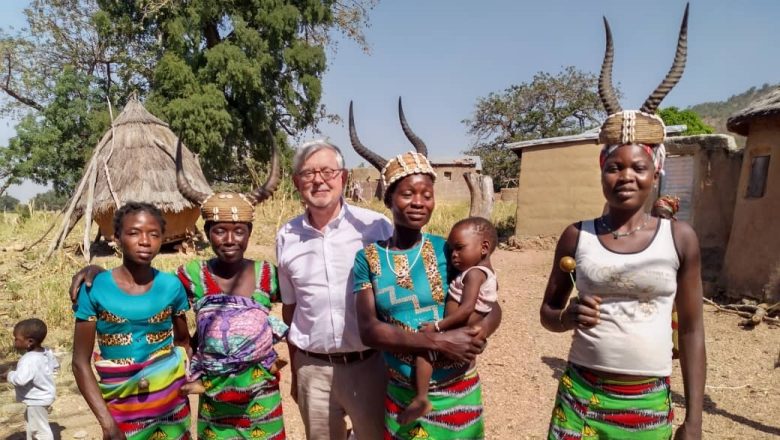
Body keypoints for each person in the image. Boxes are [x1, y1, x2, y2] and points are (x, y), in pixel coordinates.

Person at [540, 7, 705, 440]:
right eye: (615, 167)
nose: (626, 177)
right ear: (601, 169)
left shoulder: (679, 238)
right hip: (579, 396)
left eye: (637, 168)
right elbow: (548, 312)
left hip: (647, 400)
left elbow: (690, 329)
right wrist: (567, 316)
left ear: (656, 172)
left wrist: (694, 420)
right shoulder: (577, 236)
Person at [348, 106, 502, 439]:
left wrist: (480, 333)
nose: (418, 202)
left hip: (458, 389)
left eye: (427, 195)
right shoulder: (368, 259)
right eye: (407, 194)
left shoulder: (449, 248)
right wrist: (436, 340)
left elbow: (491, 299)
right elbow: (369, 330)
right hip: (403, 394)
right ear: (389, 199)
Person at [275, 139, 392, 440]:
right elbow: (290, 308)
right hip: (312, 369)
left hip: (370, 366)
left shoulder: (376, 228)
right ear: (296, 182)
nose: (319, 180)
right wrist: (296, 370)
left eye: (328, 170)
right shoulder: (286, 236)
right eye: (308, 173)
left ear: (344, 176)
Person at [173, 135, 287, 439]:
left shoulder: (268, 274)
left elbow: (308, 301)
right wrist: (95, 273)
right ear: (207, 233)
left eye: (239, 231)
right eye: (220, 231)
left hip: (263, 396)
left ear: (249, 233)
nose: (229, 239)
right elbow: (151, 290)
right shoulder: (192, 275)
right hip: (214, 399)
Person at [72, 202, 191, 440]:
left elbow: (183, 342)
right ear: (116, 237)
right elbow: (79, 363)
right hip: (120, 407)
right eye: (134, 233)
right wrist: (107, 424)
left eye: (154, 234)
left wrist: (180, 380)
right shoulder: (94, 287)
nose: (145, 241)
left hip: (171, 406)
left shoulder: (171, 286)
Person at [399, 217, 499, 424]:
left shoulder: (474, 274)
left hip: (457, 327)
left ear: (484, 247)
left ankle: (421, 397)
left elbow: (466, 309)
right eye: (452, 249)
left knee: (424, 350)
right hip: (459, 328)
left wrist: (437, 327)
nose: (454, 255)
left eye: (460, 248)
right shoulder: (476, 271)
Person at [3, 318, 58, 440]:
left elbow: (21, 379)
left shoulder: (29, 359)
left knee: (40, 431)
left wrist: (9, 375)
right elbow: (55, 367)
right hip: (44, 395)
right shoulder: (47, 352)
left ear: (30, 341)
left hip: (36, 400)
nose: (14, 341)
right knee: (32, 424)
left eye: (17, 339)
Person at [652, 194, 682, 359]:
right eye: (654, 216)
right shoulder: (645, 235)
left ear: (672, 219)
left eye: (662, 217)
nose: (657, 220)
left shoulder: (678, 239)